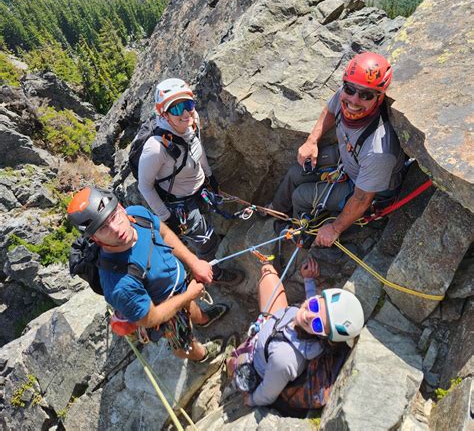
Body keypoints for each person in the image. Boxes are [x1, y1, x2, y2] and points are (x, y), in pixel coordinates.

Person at [67, 186, 229, 362]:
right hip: (164, 311)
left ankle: (203, 320)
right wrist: (189, 294)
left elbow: (164, 233)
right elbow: (151, 319)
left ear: (120, 207)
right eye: (103, 228)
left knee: (190, 306)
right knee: (182, 341)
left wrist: (194, 262)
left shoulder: (138, 215)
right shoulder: (119, 284)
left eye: (114, 216)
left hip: (180, 286)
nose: (115, 228)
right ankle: (203, 358)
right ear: (95, 239)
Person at [269, 52, 406, 246]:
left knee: (301, 196)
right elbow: (331, 110)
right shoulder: (345, 96)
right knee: (295, 172)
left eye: (366, 95)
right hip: (349, 159)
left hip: (364, 188)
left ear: (380, 97)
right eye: (350, 89)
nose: (354, 101)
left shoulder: (378, 150)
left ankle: (301, 236)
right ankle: (275, 210)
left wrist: (334, 229)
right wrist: (311, 141)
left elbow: (362, 199)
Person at [138, 78, 244, 285]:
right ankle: (214, 273)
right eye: (176, 108)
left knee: (207, 227)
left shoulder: (191, 121)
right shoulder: (155, 148)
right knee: (206, 242)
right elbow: (145, 186)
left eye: (188, 104)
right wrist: (167, 217)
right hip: (179, 204)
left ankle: (209, 248)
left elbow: (197, 149)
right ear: (163, 114)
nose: (186, 113)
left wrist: (210, 176)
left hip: (198, 187)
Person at [227, 257, 364, 408]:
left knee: (232, 361)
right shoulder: (306, 322)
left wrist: (251, 400)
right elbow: (315, 309)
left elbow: (267, 394)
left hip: (258, 361)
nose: (309, 315)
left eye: (318, 324)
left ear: (324, 337)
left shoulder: (284, 359)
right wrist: (308, 280)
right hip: (274, 329)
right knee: (268, 273)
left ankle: (228, 361)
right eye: (314, 305)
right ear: (318, 297)